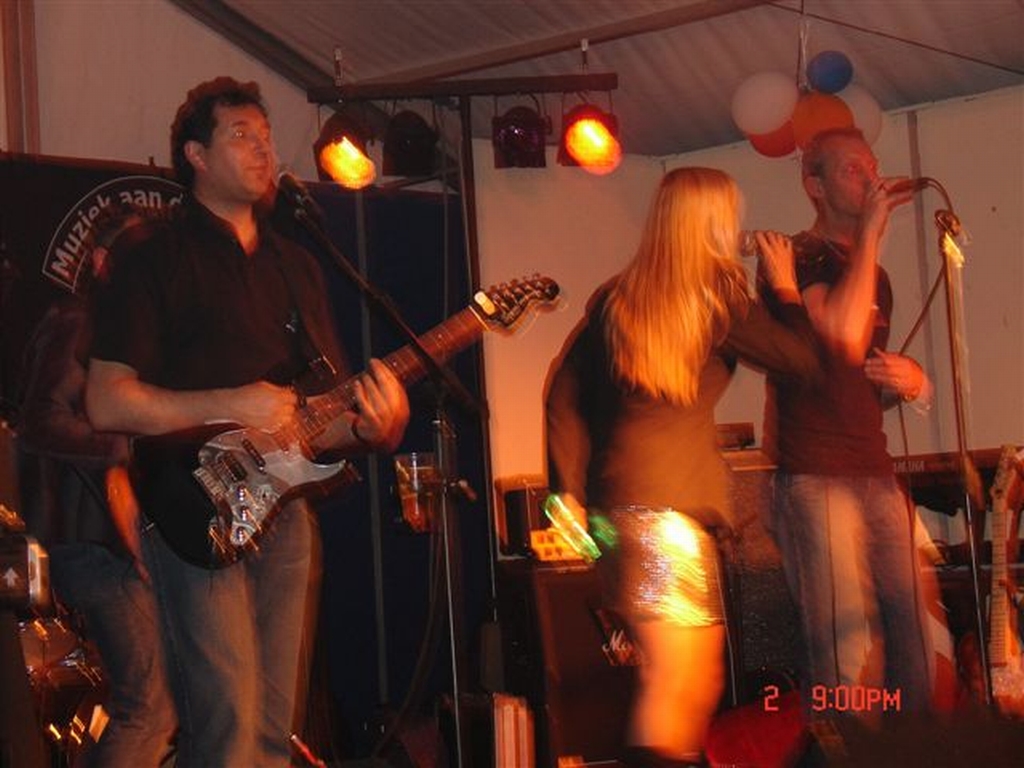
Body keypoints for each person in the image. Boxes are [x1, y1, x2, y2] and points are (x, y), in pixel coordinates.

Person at [85, 77, 410, 766]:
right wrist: (231, 403)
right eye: (241, 135)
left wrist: (374, 427)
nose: (263, 149)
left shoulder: (296, 265)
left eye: (266, 136)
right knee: (225, 724)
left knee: (272, 726)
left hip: (285, 512)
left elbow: (320, 414)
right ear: (196, 156)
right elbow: (107, 402)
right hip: (192, 507)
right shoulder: (152, 257)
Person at [544, 166, 822, 767]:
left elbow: (562, 394)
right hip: (664, 517)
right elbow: (803, 361)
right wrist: (785, 288)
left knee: (678, 682)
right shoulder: (718, 295)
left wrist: (565, 492)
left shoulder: (618, 299)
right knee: (681, 684)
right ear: (714, 222)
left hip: (616, 516)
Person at [759, 126, 937, 724]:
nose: (871, 178)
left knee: (912, 638)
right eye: (852, 170)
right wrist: (871, 238)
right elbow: (838, 332)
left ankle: (914, 753)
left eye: (872, 166)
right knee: (843, 645)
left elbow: (851, 379)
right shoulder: (797, 255)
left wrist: (909, 380)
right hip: (816, 476)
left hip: (874, 470)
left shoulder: (873, 273)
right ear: (814, 185)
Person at [17, 203, 177, 767]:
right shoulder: (78, 320)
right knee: (149, 705)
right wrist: (125, 446)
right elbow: (39, 420)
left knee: (156, 702)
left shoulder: (127, 332)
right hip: (88, 540)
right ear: (104, 261)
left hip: (115, 542)